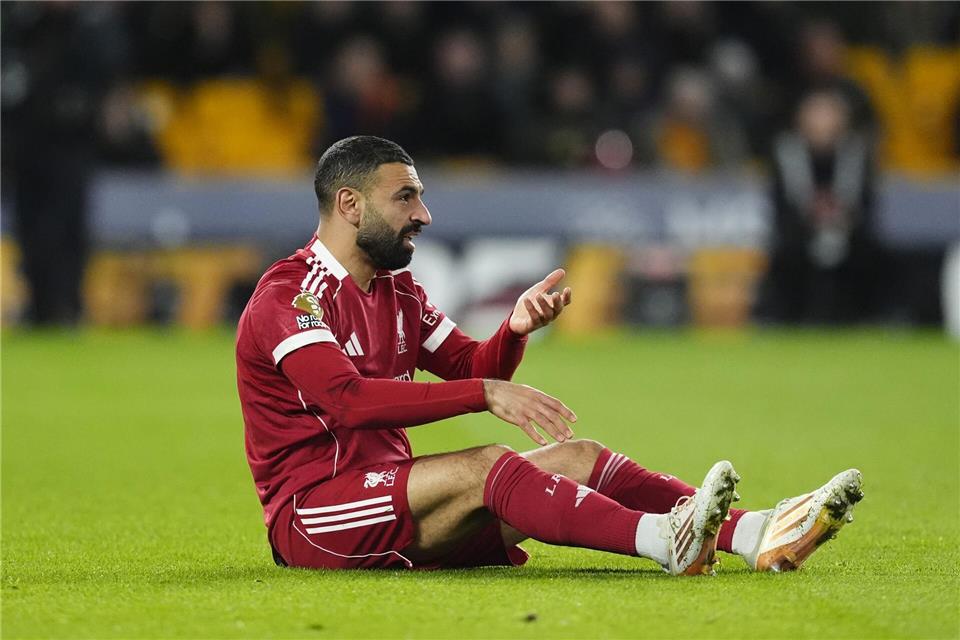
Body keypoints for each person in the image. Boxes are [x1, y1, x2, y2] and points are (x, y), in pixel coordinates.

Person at [236, 136, 864, 575]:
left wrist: (513, 330)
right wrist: (484, 395)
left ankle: (756, 534)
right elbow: (346, 402)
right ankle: (665, 541)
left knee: (579, 457)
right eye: (406, 197)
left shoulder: (397, 290)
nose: (423, 215)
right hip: (317, 516)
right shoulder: (291, 296)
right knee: (489, 463)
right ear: (349, 205)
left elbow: (471, 368)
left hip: (398, 505)